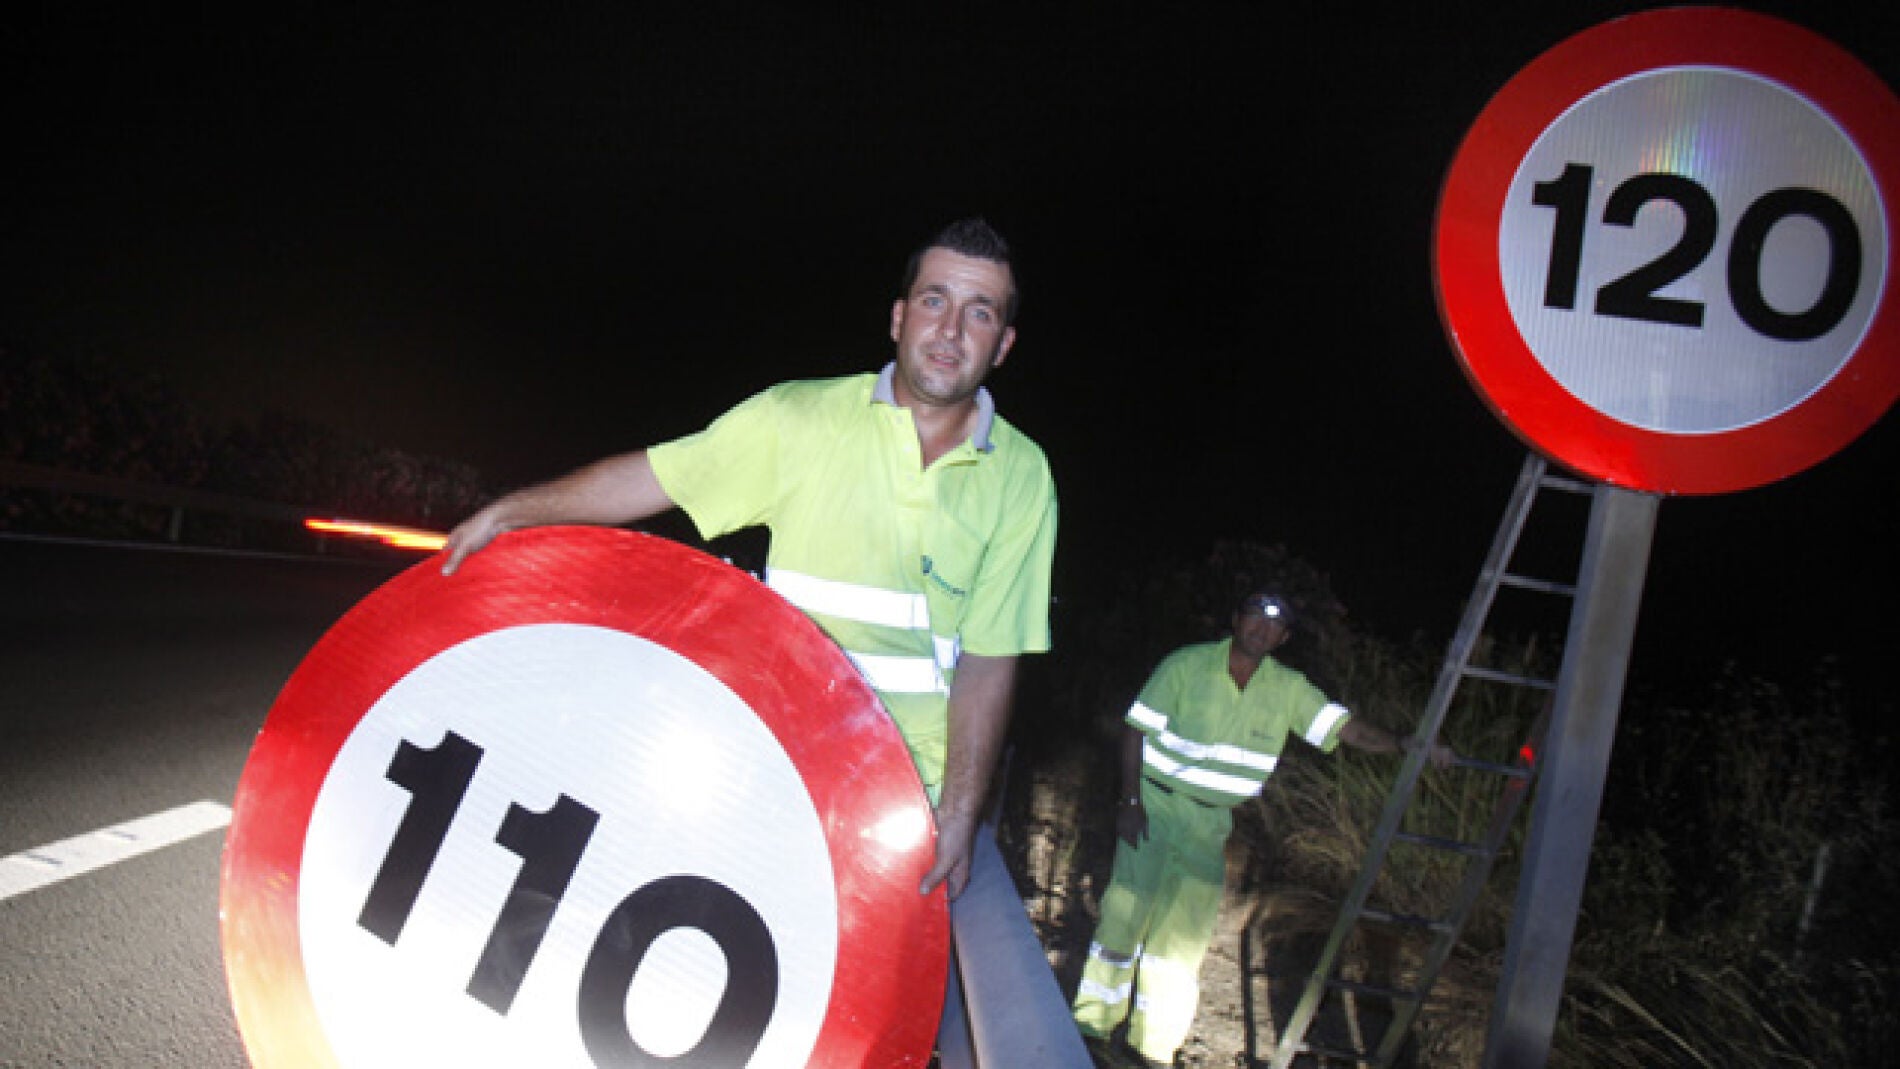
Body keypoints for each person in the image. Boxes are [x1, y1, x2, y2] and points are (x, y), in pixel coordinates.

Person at [439, 217, 1057, 901]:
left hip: (901, 808)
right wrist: (510, 511)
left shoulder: (1023, 476)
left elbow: (991, 661)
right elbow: (655, 477)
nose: (950, 330)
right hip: (769, 768)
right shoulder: (799, 418)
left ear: (1002, 345)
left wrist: (960, 813)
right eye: (934, 300)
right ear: (898, 317)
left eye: (980, 313)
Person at [1072, 591, 1454, 1068]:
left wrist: (1403, 744)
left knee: (1183, 942)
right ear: (1237, 620)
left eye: (1274, 625)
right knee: (1124, 919)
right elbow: (1137, 730)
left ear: (1284, 638)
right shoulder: (1186, 665)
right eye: (1255, 617)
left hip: (1210, 826)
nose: (1262, 629)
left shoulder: (1288, 689)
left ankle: (1151, 1049)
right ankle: (1091, 1028)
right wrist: (1129, 801)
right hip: (1155, 806)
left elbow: (1346, 729)